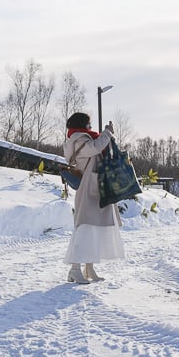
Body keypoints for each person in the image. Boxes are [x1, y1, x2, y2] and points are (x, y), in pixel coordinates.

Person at [62, 112, 125, 283]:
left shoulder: (83, 138)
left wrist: (106, 136)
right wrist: (107, 133)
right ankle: (75, 269)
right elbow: (95, 147)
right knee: (85, 229)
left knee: (93, 230)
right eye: (89, 124)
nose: (91, 127)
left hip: (95, 188)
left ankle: (89, 268)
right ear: (82, 125)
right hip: (89, 190)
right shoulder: (79, 140)